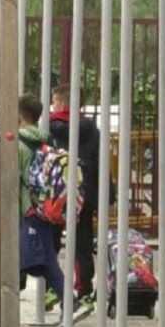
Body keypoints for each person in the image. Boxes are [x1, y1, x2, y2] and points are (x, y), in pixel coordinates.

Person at [49, 84, 101, 313]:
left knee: (50, 241)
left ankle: (52, 287)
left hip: (56, 193)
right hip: (85, 193)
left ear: (62, 104)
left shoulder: (50, 128)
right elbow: (100, 163)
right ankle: (84, 290)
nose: (52, 106)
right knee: (82, 244)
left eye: (54, 101)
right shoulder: (91, 129)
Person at [15, 95, 65, 316]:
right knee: (42, 259)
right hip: (46, 205)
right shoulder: (47, 139)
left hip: (27, 209)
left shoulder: (19, 143)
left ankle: (70, 302)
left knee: (47, 263)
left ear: (19, 115)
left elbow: (14, 180)